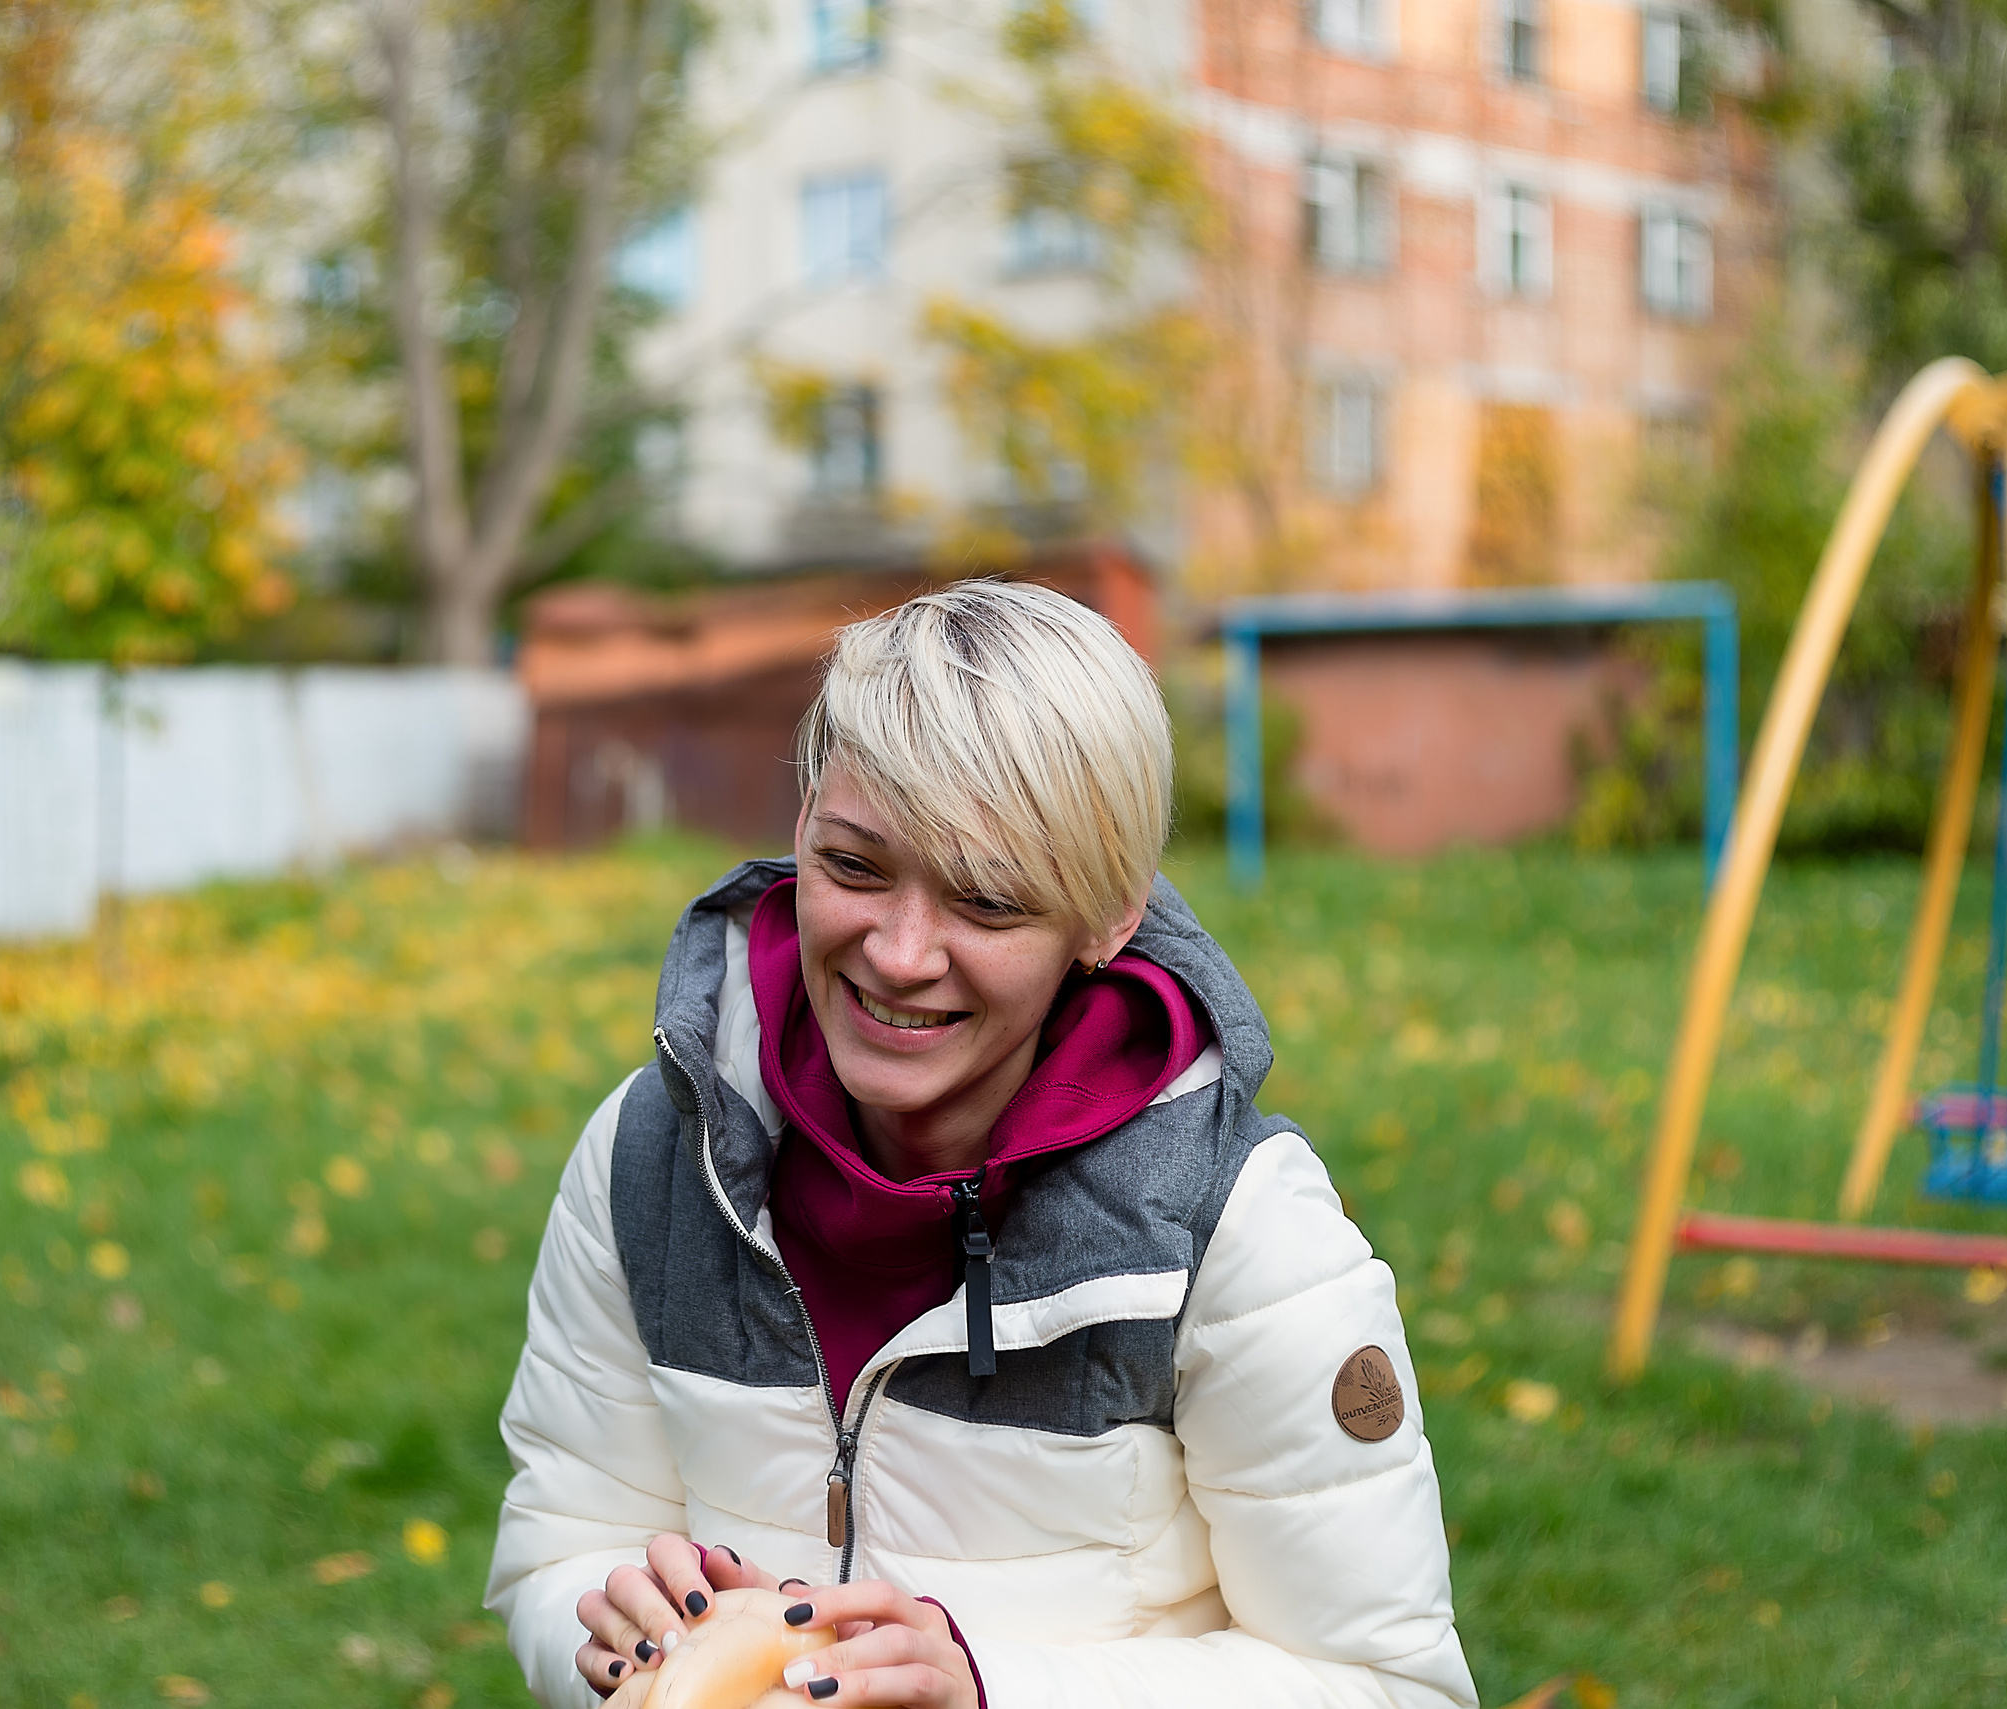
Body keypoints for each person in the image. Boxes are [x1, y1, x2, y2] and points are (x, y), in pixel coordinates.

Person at [486, 581, 1475, 1708]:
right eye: (856, 866)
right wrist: (615, 1638)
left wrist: (984, 1690)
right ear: (803, 823)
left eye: (988, 901)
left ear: (1108, 915)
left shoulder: (1238, 1226)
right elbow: (561, 1537)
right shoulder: (655, 1152)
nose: (901, 953)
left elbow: (1386, 1682)